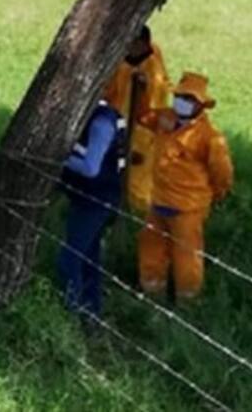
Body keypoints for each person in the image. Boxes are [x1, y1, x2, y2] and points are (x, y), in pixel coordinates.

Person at [137, 72, 234, 301]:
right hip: (159, 200)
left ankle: (187, 301)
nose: (182, 102)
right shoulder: (165, 118)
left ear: (201, 104)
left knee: (187, 255)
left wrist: (218, 194)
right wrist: (142, 92)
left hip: (188, 207)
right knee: (151, 247)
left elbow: (222, 173)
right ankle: (152, 293)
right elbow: (142, 116)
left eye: (189, 99)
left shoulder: (209, 137)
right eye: (180, 96)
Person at [57, 100, 127, 319]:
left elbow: (90, 168)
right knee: (89, 257)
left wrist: (56, 157)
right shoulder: (97, 117)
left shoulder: (100, 124)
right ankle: (90, 312)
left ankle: (72, 313)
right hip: (92, 197)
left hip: (94, 201)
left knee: (69, 260)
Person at [103, 25, 171, 215]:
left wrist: (145, 86)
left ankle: (134, 206)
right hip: (117, 117)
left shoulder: (153, 59)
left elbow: (158, 94)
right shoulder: (119, 59)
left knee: (137, 167)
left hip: (141, 126)